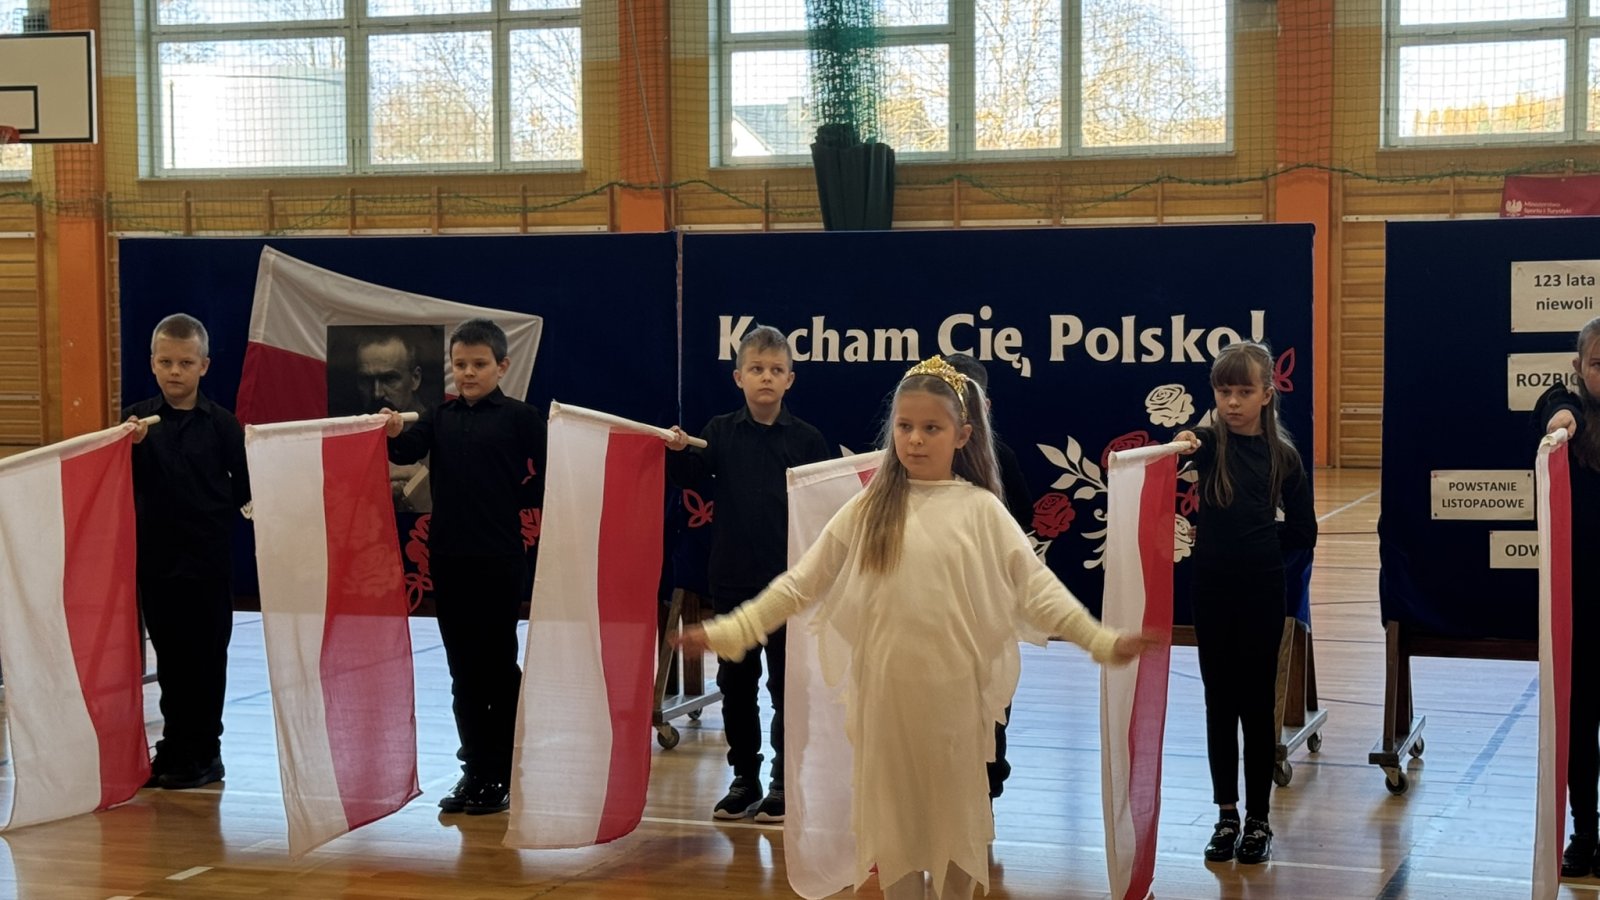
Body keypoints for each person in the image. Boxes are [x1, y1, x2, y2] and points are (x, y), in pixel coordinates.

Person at [675, 355, 1154, 900]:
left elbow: (1037, 590)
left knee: (954, 837)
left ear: (962, 435)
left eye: (931, 428)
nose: (915, 439)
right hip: (884, 704)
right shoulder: (869, 508)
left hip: (953, 705)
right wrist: (733, 629)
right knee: (894, 837)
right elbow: (801, 583)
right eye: (905, 426)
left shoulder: (981, 510)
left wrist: (1099, 640)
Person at [665, 324, 832, 823]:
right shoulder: (718, 432)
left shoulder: (808, 440)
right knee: (737, 685)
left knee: (786, 687)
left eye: (776, 370)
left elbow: (826, 509)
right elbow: (690, 477)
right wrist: (678, 452)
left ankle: (783, 781)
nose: (766, 377)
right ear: (739, 377)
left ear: (790, 379)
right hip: (732, 578)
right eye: (756, 369)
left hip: (788, 585)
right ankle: (744, 778)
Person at [384, 317, 545, 817]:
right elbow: (405, 448)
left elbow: (551, 470)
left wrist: (514, 501)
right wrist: (392, 430)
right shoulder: (439, 416)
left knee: (496, 665)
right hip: (449, 560)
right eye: (460, 365)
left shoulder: (521, 418)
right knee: (463, 670)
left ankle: (506, 766)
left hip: (499, 559)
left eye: (479, 364)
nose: (468, 373)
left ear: (502, 366)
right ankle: (475, 766)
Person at [1175, 340, 1316, 865]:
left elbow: (1304, 531)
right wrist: (1185, 439)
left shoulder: (1284, 457)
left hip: (1261, 590)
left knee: (1257, 705)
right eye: (1223, 391)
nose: (1232, 402)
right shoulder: (1211, 444)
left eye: (1243, 391)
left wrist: (1259, 546)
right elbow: (1191, 441)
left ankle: (1259, 818)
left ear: (1266, 394)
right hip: (1211, 590)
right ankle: (1226, 814)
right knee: (1219, 701)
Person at [123, 313, 251, 790]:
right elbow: (114, 487)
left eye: (185, 362)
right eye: (165, 362)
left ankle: (205, 753)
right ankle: (173, 748)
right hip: (157, 564)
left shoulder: (222, 426)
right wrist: (128, 447)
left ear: (204, 366)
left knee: (206, 660)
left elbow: (248, 488)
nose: (175, 371)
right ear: (152, 363)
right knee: (172, 661)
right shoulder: (134, 423)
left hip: (207, 564)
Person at [944, 352, 1032, 801]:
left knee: (992, 689)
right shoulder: (919, 461)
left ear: (985, 408)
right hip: (940, 604)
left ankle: (988, 775)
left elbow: (1024, 519)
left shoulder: (1002, 458)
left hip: (989, 601)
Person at [1535, 316, 1600, 878]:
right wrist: (1561, 416)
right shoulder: (1571, 411)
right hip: (1582, 608)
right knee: (1579, 725)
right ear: (1580, 367)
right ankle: (1585, 831)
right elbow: (1553, 405)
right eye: (1598, 364)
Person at [351, 328, 432, 513]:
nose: (377, 393)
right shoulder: (348, 439)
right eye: (366, 380)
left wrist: (420, 485)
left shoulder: (441, 432)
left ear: (415, 378)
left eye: (389, 379)